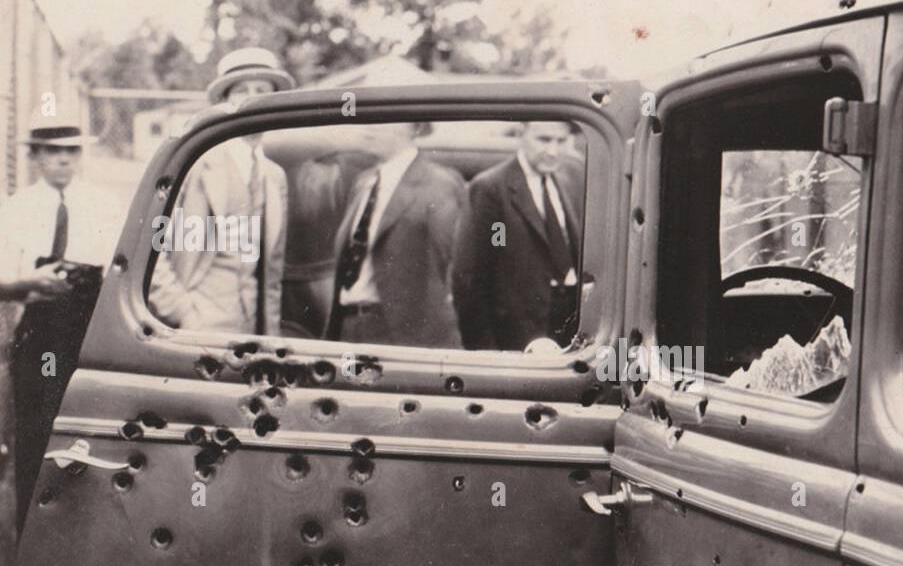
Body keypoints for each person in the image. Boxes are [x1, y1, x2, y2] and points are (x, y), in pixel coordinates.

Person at [0, 106, 118, 531]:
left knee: (88, 433)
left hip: (88, 335)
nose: (64, 159)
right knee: (34, 435)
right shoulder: (15, 209)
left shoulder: (104, 205)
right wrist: (24, 280)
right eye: (53, 151)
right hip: (36, 334)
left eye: (71, 150)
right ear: (35, 156)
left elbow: (119, 271)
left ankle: (83, 537)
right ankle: (31, 540)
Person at [148, 47, 292, 334]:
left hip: (251, 329)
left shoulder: (274, 176)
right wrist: (182, 312)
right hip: (199, 323)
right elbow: (153, 248)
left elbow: (272, 273)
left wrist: (270, 333)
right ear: (225, 103)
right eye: (241, 91)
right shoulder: (197, 163)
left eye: (262, 89)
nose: (253, 99)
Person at [322, 121, 466, 347]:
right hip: (349, 329)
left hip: (400, 336)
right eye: (370, 118)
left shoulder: (439, 184)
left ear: (415, 128)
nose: (370, 127)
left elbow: (454, 267)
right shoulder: (364, 182)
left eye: (384, 120)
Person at [452, 121, 585, 351]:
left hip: (567, 325)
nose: (553, 151)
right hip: (519, 332)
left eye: (561, 141)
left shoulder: (567, 180)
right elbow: (474, 276)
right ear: (521, 135)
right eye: (543, 139)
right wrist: (486, 351)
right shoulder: (493, 189)